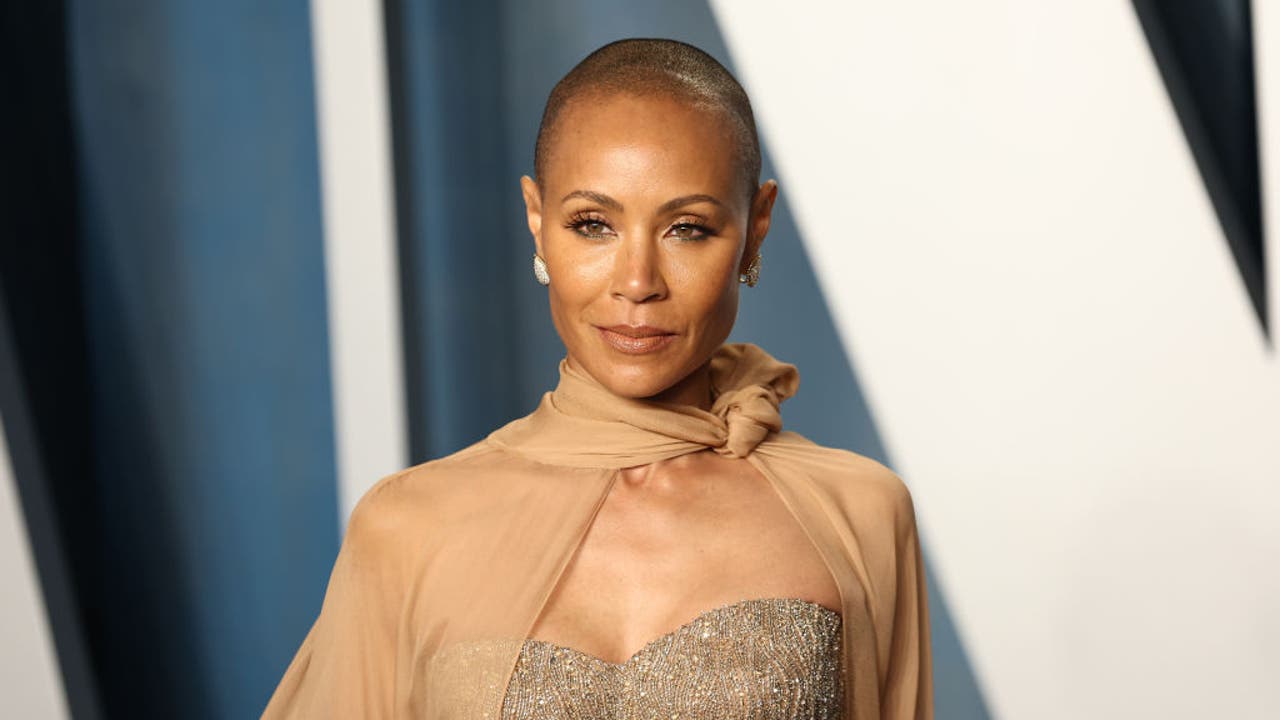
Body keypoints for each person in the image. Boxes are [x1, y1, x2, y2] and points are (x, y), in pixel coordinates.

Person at [262, 38, 932, 720]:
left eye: (688, 229)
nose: (637, 283)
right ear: (536, 220)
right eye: (593, 225)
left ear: (756, 227)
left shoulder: (860, 513)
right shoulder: (405, 528)